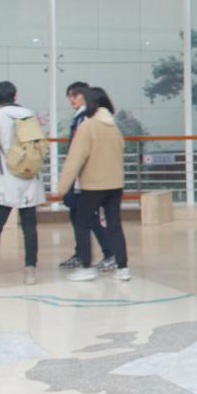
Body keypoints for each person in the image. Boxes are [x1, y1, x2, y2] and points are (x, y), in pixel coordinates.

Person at [56, 87, 131, 283]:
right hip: (115, 185)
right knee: (115, 226)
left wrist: (61, 187)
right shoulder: (114, 127)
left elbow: (75, 158)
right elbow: (121, 149)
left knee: (82, 223)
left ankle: (86, 267)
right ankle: (123, 268)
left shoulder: (88, 126)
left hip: (93, 185)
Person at [0, 81, 45, 286]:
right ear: (15, 96)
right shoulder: (29, 114)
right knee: (29, 228)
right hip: (29, 178)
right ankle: (30, 271)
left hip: (5, 180)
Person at [58, 81, 114, 272]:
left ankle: (109, 253)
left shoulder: (87, 118)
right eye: (69, 96)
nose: (71, 99)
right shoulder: (79, 118)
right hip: (78, 177)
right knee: (76, 215)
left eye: (76, 95)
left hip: (87, 178)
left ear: (86, 96)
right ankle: (81, 253)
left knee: (90, 217)